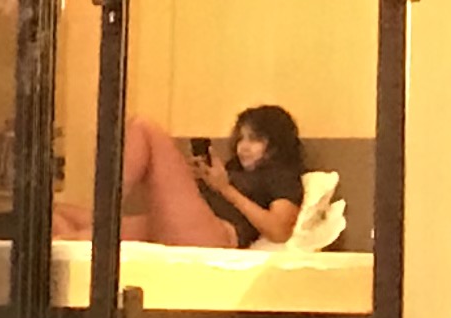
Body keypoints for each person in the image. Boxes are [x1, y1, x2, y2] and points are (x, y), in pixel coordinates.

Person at [118, 104, 308, 249]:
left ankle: (108, 201)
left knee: (145, 127)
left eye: (254, 139)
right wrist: (194, 178)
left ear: (275, 145)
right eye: (241, 139)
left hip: (219, 233)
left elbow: (279, 231)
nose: (243, 147)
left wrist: (225, 189)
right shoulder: (233, 168)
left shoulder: (282, 175)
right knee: (103, 231)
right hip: (193, 222)